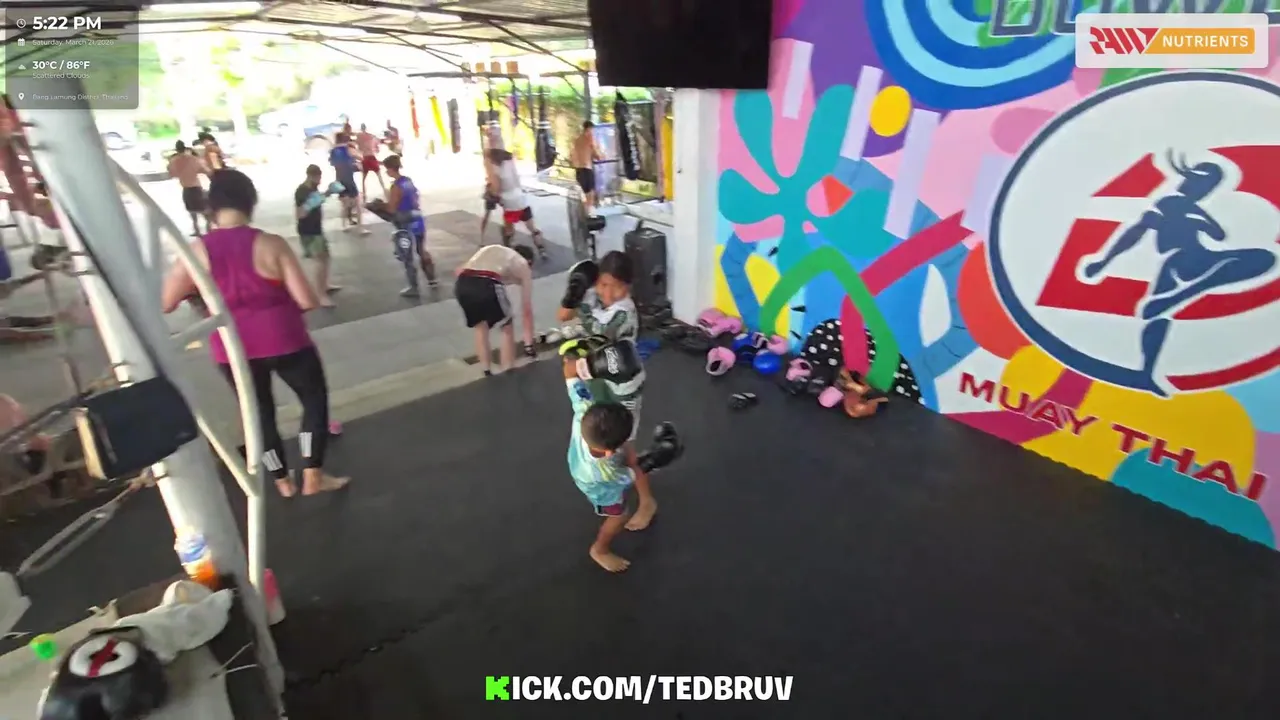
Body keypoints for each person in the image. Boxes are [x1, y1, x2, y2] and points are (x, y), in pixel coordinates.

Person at [159, 169, 349, 497]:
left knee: (259, 414)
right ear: (250, 201)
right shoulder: (271, 244)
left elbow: (166, 303)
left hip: (232, 348)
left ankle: (282, 481)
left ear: (211, 206)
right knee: (312, 401)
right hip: (285, 338)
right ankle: (312, 474)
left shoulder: (196, 252)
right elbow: (306, 300)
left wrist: (201, 296)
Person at [556, 251, 656, 529]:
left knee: (625, 446)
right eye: (602, 284)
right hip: (596, 378)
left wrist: (582, 298)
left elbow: (600, 331)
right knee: (601, 438)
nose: (608, 293)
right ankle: (612, 482)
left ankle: (647, 501)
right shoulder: (593, 296)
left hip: (624, 383)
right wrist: (575, 291)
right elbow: (563, 315)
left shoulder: (625, 311)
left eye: (616, 286)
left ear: (628, 286)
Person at [561, 348, 683, 573]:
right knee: (619, 516)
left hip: (582, 456)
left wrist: (587, 364)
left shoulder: (584, 409)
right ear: (611, 451)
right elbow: (630, 475)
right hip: (598, 487)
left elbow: (568, 371)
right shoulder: (607, 473)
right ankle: (600, 549)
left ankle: (647, 502)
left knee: (631, 457)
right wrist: (655, 458)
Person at [454, 243, 536, 376]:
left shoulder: (493, 250)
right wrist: (529, 346)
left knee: (480, 326)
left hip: (462, 285)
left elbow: (459, 270)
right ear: (529, 261)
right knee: (507, 325)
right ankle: (508, 368)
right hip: (486, 283)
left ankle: (486, 370)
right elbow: (527, 309)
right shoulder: (522, 263)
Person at [383, 154, 437, 297]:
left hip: (405, 221)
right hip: (417, 218)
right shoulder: (408, 181)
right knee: (421, 250)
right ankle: (432, 279)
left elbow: (392, 208)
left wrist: (381, 206)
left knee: (407, 255)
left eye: (387, 169)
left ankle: (413, 287)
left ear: (390, 169)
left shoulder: (395, 186)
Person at [294, 164, 343, 307]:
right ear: (311, 176)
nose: (320, 181)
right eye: (318, 178)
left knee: (325, 257)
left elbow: (317, 200)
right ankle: (320, 295)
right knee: (319, 262)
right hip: (308, 231)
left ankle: (325, 285)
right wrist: (324, 195)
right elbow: (300, 213)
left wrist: (326, 194)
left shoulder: (312, 188)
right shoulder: (302, 191)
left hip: (316, 229)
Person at [485, 148, 548, 259]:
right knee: (532, 228)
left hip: (510, 203)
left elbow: (496, 189)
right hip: (521, 199)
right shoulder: (510, 163)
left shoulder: (496, 169)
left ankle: (508, 251)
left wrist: (490, 190)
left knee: (508, 230)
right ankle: (541, 249)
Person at [329, 127, 367, 235]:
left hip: (339, 179)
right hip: (349, 179)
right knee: (358, 204)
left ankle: (344, 226)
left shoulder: (333, 151)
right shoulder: (348, 149)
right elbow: (361, 157)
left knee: (345, 204)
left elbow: (332, 163)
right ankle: (360, 228)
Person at [168, 141, 210, 236]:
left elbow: (172, 174)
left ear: (177, 149)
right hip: (196, 187)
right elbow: (205, 170)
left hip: (186, 189)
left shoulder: (174, 161)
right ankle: (209, 229)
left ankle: (197, 230)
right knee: (203, 210)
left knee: (192, 212)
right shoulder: (193, 159)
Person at [571, 121, 604, 213]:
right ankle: (589, 212)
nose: (592, 132)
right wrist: (601, 154)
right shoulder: (590, 139)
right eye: (592, 130)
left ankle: (584, 212)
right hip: (587, 169)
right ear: (589, 129)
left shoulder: (577, 140)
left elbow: (573, 154)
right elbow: (598, 156)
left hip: (578, 170)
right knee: (590, 193)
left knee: (584, 193)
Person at [355, 123, 385, 200]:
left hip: (364, 158)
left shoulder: (358, 136)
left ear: (361, 128)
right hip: (372, 157)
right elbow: (377, 148)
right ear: (366, 128)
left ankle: (364, 195)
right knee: (379, 176)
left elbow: (358, 148)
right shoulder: (372, 136)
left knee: (363, 179)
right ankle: (384, 190)